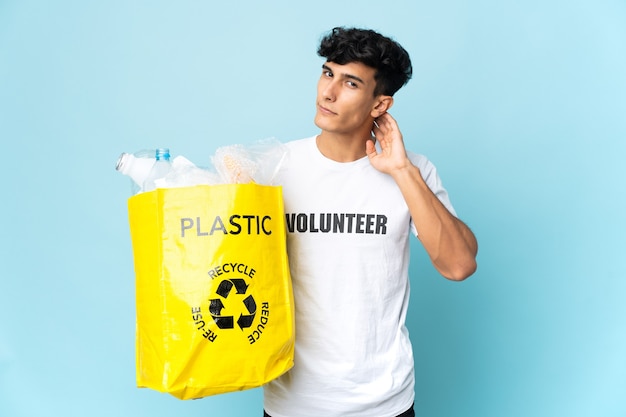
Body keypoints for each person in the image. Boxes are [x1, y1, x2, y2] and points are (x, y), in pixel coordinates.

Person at [263, 27, 478, 417]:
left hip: (384, 403)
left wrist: (400, 169)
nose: (328, 92)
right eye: (328, 73)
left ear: (380, 105)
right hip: (292, 401)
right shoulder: (275, 167)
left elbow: (459, 265)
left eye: (350, 83)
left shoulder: (415, 172)